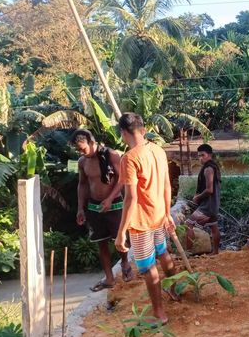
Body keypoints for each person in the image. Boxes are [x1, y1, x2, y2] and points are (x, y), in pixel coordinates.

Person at [114, 113, 178, 323]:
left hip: (141, 221)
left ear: (123, 133)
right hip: (159, 214)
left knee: (148, 267)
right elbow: (167, 185)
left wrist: (121, 231)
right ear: (142, 128)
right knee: (163, 253)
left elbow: (131, 198)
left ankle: (159, 312)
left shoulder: (129, 158)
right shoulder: (158, 150)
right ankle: (175, 290)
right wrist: (167, 213)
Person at [72, 129, 132, 291]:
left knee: (120, 238)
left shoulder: (111, 155)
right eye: (78, 150)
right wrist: (80, 208)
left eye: (82, 148)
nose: (81, 152)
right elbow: (82, 184)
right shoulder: (82, 162)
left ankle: (125, 264)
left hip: (115, 205)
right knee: (101, 243)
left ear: (92, 143)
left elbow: (122, 179)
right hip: (94, 206)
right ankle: (109, 278)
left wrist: (110, 198)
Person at [185, 144, 221, 254]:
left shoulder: (208, 169)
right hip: (214, 204)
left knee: (188, 224)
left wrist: (197, 198)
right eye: (199, 156)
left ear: (209, 155)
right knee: (214, 227)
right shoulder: (214, 167)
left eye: (203, 155)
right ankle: (215, 252)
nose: (200, 158)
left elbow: (209, 190)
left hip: (207, 205)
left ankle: (188, 252)